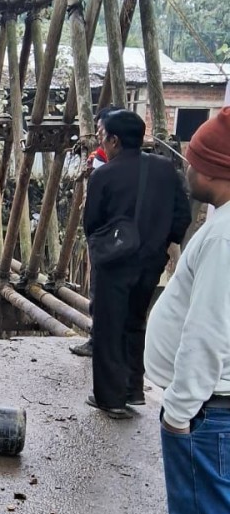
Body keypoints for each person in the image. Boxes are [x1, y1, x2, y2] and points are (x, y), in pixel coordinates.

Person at [126, 109, 230, 514]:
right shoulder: (220, 224)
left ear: (219, 170)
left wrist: (181, 408)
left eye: (197, 157)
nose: (187, 164)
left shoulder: (223, 237)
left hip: (209, 407)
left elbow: (209, 333)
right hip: (211, 403)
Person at [82, 108, 190, 419]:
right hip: (150, 261)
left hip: (115, 263)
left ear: (114, 140)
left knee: (107, 327)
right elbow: (181, 214)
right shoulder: (165, 169)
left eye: (104, 137)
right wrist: (161, 243)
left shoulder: (104, 174)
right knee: (134, 323)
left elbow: (92, 223)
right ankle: (133, 390)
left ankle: (110, 399)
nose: (103, 142)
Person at [71, 105, 118, 359]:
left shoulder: (105, 163)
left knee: (104, 290)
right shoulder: (100, 158)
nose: (98, 136)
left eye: (101, 131)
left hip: (112, 237)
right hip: (110, 236)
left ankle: (100, 342)